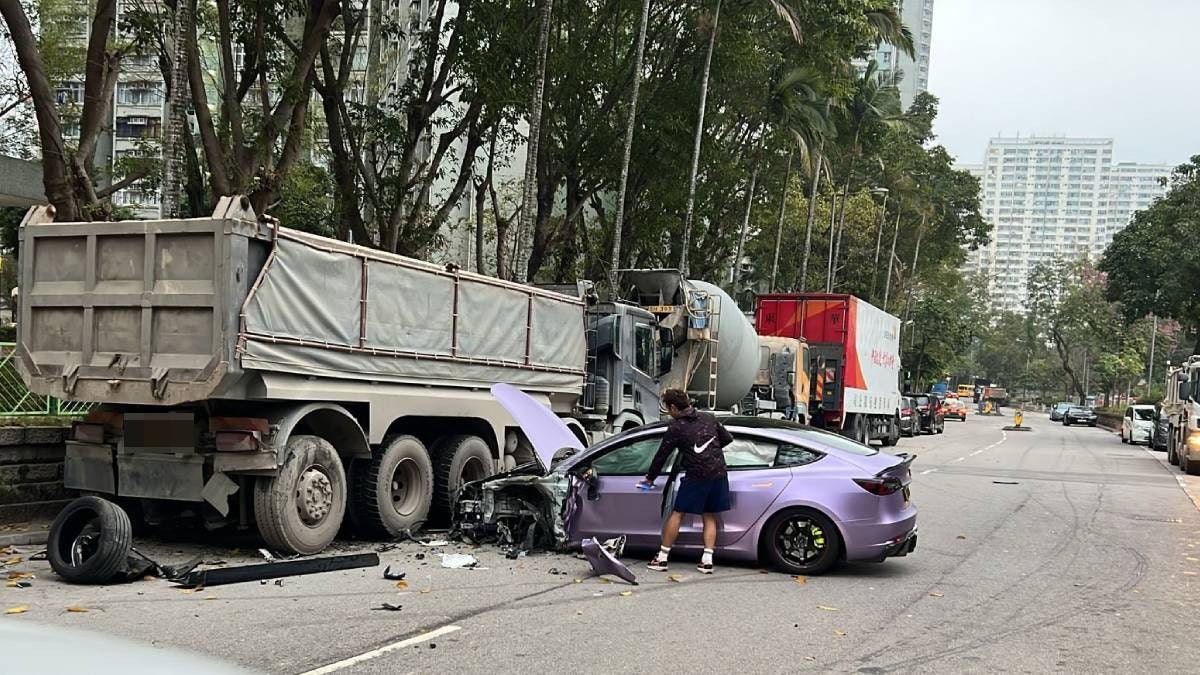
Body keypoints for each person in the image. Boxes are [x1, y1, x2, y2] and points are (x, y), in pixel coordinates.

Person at [636, 389, 732, 574]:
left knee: (677, 513)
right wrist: (710, 452)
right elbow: (727, 438)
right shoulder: (708, 418)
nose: (668, 412)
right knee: (709, 514)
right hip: (719, 473)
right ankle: (707, 561)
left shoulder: (677, 427)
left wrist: (650, 478)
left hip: (697, 475)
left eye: (667, 408)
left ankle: (662, 558)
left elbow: (662, 455)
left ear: (673, 407)